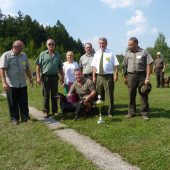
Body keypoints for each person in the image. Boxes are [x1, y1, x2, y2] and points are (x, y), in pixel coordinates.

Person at [0, 40, 34, 125]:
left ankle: (25, 117)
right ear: (15, 47)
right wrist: (4, 82)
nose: (22, 50)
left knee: (24, 101)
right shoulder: (6, 55)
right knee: (12, 102)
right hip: (11, 83)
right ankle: (14, 118)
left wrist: (31, 78)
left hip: (22, 83)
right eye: (20, 48)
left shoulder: (24, 55)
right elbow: (2, 69)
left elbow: (27, 68)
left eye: (22, 48)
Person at [123, 37, 154, 121]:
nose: (129, 46)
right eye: (128, 45)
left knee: (143, 94)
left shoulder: (144, 52)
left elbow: (149, 65)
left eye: (131, 45)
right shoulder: (127, 54)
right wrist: (131, 72)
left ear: (136, 43)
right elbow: (126, 65)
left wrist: (147, 77)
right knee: (131, 94)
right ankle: (131, 113)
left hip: (142, 76)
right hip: (131, 76)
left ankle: (144, 113)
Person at [35, 39, 64, 118]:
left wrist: (62, 77)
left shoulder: (58, 55)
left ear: (54, 45)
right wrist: (38, 77)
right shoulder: (42, 54)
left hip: (55, 77)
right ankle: (46, 111)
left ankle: (55, 111)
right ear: (46, 45)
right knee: (45, 95)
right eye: (49, 44)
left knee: (54, 95)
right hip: (45, 77)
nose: (51, 45)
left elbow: (61, 67)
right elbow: (38, 66)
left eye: (53, 44)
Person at [91, 37, 119, 117]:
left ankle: (110, 112)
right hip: (99, 77)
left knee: (109, 95)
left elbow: (116, 64)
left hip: (108, 77)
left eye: (103, 43)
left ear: (106, 44)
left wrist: (116, 74)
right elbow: (94, 66)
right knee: (99, 95)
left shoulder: (111, 52)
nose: (101, 45)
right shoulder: (96, 53)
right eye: (100, 43)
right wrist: (94, 77)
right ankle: (101, 110)